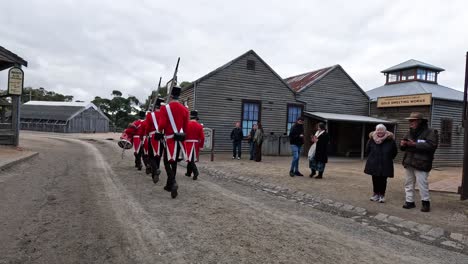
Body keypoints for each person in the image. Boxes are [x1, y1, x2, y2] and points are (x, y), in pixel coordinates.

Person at [400, 112, 438, 212]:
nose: (410, 122)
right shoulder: (409, 132)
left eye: (412, 120)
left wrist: (414, 144)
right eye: (410, 120)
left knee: (422, 184)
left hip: (422, 162)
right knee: (408, 183)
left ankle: (426, 203)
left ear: (420, 121)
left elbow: (432, 146)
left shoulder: (431, 132)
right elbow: (403, 147)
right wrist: (403, 144)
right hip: (409, 161)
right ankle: (409, 202)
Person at [159, 86, 189, 198]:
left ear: (171, 96)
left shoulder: (165, 108)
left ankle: (173, 182)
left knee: (167, 161)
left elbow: (161, 124)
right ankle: (169, 185)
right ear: (179, 96)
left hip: (169, 138)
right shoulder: (185, 109)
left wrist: (159, 131)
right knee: (174, 162)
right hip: (179, 138)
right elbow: (186, 127)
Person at [364, 124, 397, 203]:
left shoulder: (390, 140)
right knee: (375, 179)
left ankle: (382, 195)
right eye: (378, 130)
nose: (380, 131)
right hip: (374, 163)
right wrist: (373, 157)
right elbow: (367, 150)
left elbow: (394, 152)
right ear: (376, 131)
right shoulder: (371, 140)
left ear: (385, 131)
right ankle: (375, 194)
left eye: (381, 130)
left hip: (385, 163)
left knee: (383, 180)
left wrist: (387, 158)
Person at [145, 97, 165, 184]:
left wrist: (147, 133)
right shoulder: (164, 114)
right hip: (161, 136)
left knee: (151, 156)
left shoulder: (150, 115)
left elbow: (147, 127)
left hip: (152, 136)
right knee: (158, 156)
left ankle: (156, 170)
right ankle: (155, 174)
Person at [184, 110, 205, 180]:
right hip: (195, 144)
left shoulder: (186, 124)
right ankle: (188, 172)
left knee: (190, 159)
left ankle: (195, 172)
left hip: (187, 143)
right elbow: (202, 137)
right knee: (190, 159)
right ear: (196, 118)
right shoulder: (199, 126)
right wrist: (201, 146)